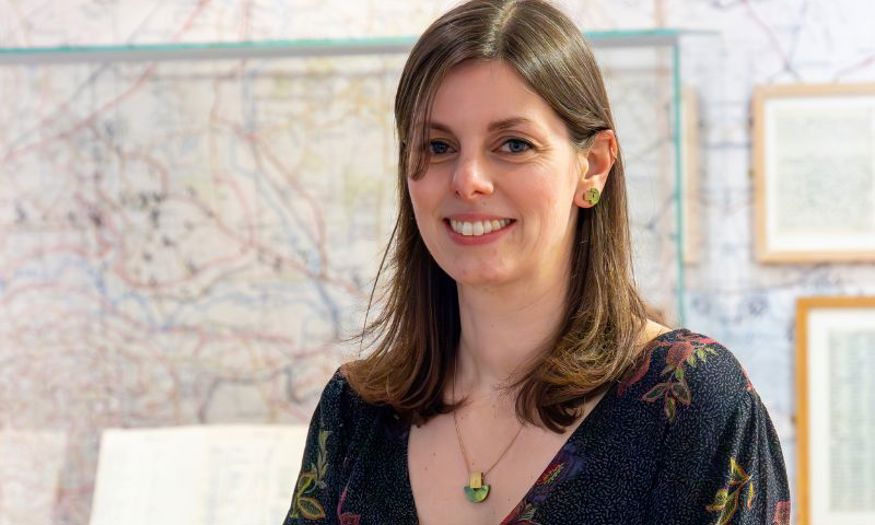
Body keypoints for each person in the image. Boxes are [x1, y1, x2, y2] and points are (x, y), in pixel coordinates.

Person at [282, 0, 790, 523]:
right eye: (438, 146)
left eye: (514, 144)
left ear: (592, 167)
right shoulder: (355, 412)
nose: (467, 179)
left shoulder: (690, 403)